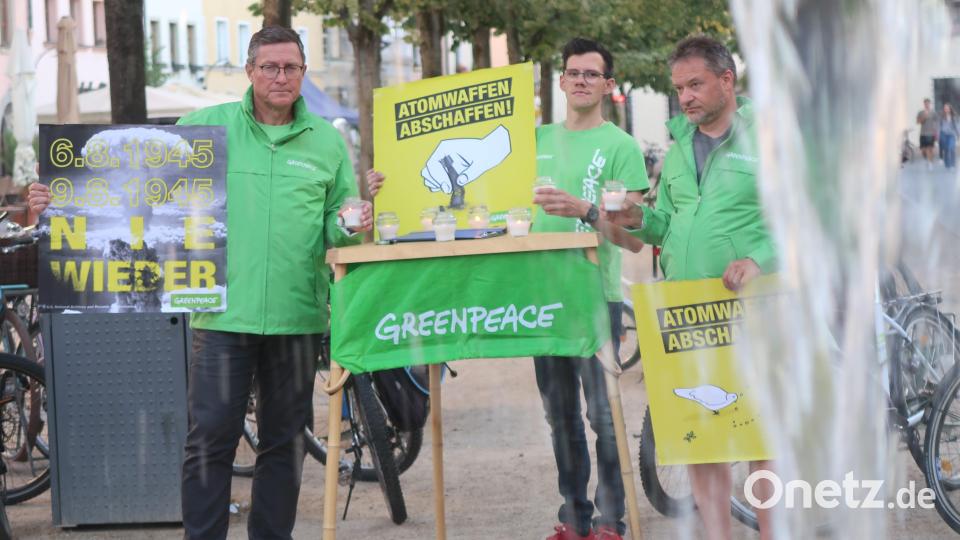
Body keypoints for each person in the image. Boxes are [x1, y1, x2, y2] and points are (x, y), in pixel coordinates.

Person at [28, 26, 379, 540]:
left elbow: (334, 222)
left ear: (303, 73)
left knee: (285, 444)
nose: (281, 77)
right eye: (270, 67)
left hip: (298, 316)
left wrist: (349, 222)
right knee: (209, 442)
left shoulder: (326, 141)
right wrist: (57, 200)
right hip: (221, 318)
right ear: (250, 71)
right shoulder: (204, 128)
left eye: (292, 68)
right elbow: (124, 172)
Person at [607, 36, 776, 540]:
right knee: (702, 437)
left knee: (760, 440)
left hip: (753, 312)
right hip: (687, 313)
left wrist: (758, 259)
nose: (685, 97)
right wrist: (637, 218)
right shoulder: (679, 146)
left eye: (695, 84)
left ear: (727, 80)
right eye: (679, 87)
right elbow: (667, 226)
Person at [530, 37, 647, 540]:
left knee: (604, 414)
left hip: (596, 297)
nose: (580, 80)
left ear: (608, 85)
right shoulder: (532, 141)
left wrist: (585, 210)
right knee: (560, 417)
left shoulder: (621, 147)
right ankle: (573, 517)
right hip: (541, 297)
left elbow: (634, 237)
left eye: (591, 74)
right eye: (573, 72)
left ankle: (609, 521)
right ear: (560, 80)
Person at [917, 98, 940, 170]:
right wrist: (924, 117)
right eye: (925, 103)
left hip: (931, 133)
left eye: (928, 103)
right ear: (924, 104)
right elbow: (918, 122)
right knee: (923, 150)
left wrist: (936, 133)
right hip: (923, 133)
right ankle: (927, 158)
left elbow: (937, 122)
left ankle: (930, 163)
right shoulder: (921, 112)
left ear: (930, 104)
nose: (927, 105)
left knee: (930, 148)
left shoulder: (933, 113)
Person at [940, 103, 958, 170]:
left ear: (950, 109)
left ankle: (953, 164)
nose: (946, 109)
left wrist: (958, 134)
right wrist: (938, 134)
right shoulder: (942, 116)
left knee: (952, 149)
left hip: (951, 134)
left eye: (947, 108)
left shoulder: (953, 116)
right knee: (946, 149)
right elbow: (939, 126)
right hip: (944, 134)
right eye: (945, 108)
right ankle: (947, 164)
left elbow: (956, 126)